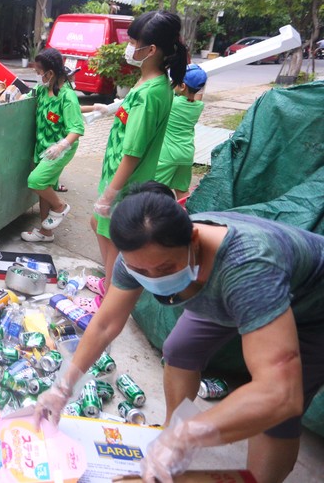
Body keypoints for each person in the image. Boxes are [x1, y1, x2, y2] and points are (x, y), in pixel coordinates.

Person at [35, 181, 324, 482]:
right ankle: (173, 432)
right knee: (180, 350)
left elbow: (279, 394)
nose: (152, 278)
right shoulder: (140, 253)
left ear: (195, 240)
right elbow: (106, 323)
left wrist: (190, 434)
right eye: (141, 271)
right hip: (216, 292)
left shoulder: (248, 266)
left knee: (276, 413)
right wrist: (62, 387)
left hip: (310, 308)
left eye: (164, 268)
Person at [90, 10, 188, 300]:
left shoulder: (151, 93)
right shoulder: (147, 84)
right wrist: (110, 109)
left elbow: (133, 152)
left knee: (112, 241)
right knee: (97, 226)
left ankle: (109, 297)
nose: (128, 47)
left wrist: (110, 194)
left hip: (124, 181)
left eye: (133, 41)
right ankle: (110, 284)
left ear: (152, 50)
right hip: (117, 176)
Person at [20, 48, 84, 245]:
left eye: (40, 72)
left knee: (35, 181)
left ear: (51, 73)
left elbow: (77, 128)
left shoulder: (67, 96)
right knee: (44, 186)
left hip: (60, 149)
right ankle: (45, 233)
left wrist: (61, 146)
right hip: (43, 146)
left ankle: (60, 206)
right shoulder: (43, 90)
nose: (38, 75)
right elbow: (27, 95)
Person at [154, 64, 208, 198]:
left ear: (183, 86)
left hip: (167, 155)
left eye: (175, 82)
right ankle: (185, 217)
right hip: (186, 154)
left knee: (153, 191)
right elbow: (196, 94)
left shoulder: (172, 103)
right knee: (182, 190)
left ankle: (157, 217)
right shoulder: (199, 106)